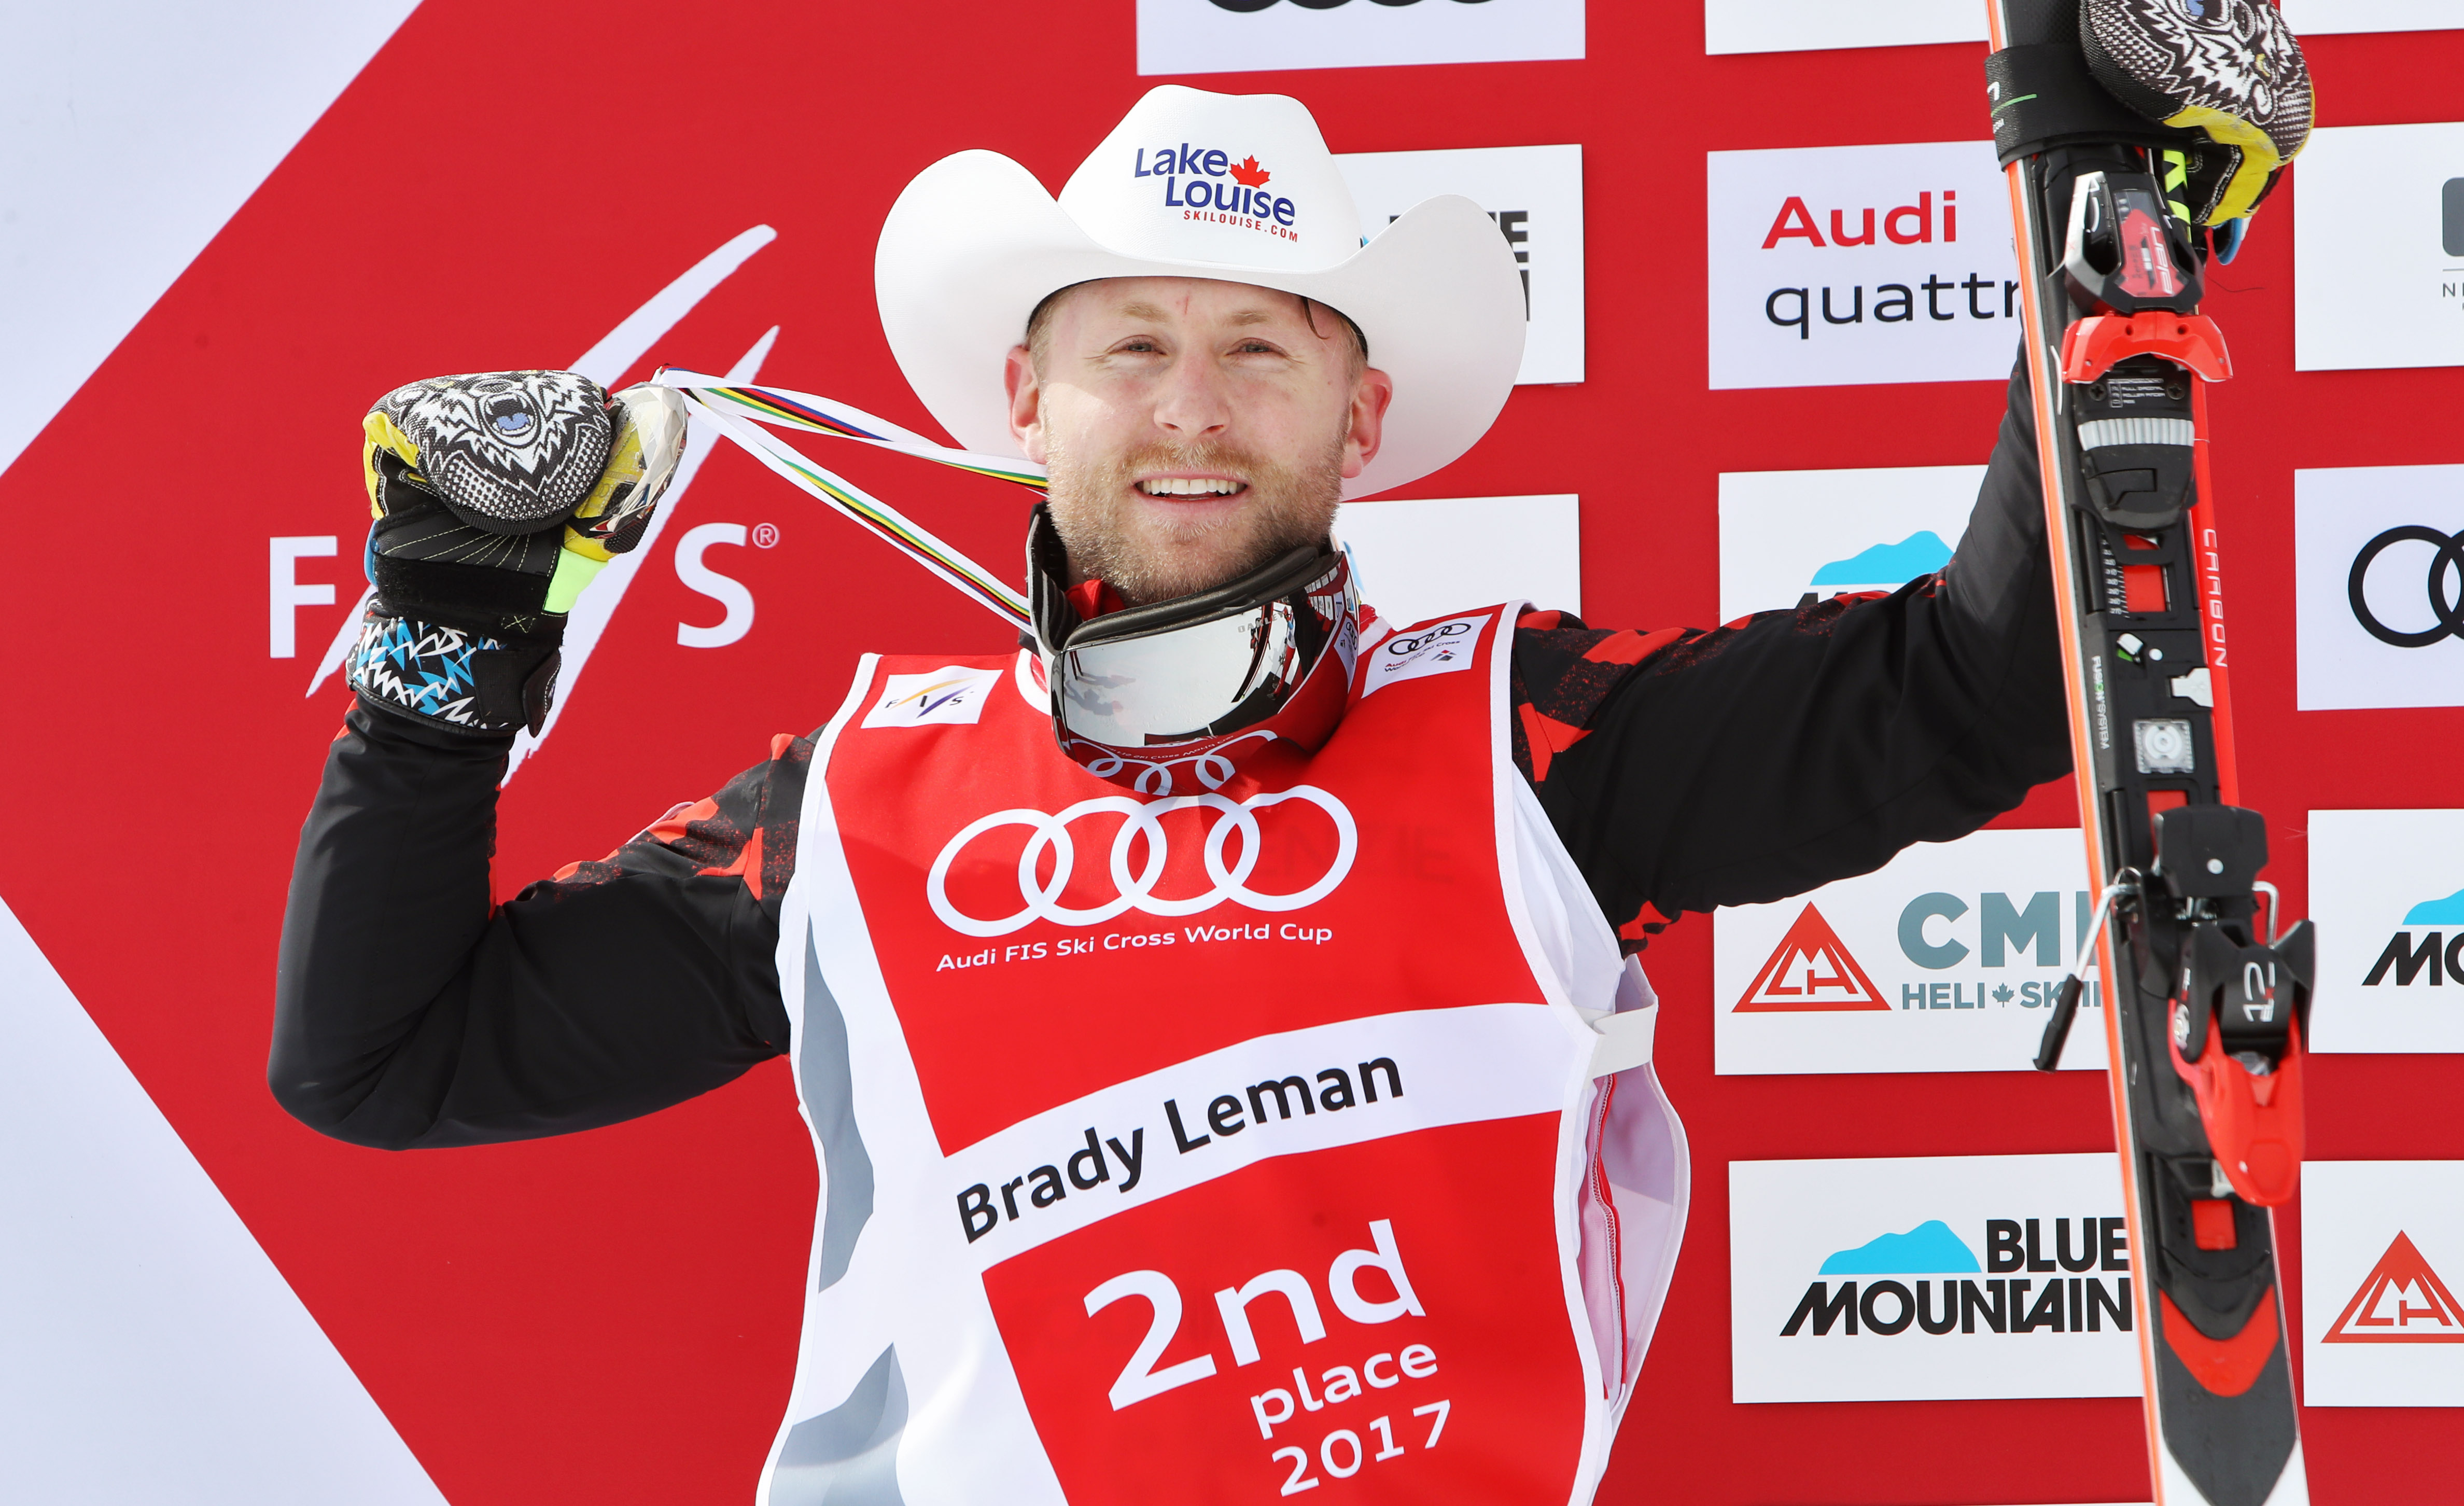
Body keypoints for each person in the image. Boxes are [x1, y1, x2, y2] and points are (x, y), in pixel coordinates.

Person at [277, 86, 2068, 1504]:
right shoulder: (857, 807)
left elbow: (1982, 688)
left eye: (1260, 349)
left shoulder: (1529, 746)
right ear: (1023, 403)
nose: (1190, 409)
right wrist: (450, 623)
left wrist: (2101, 242)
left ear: (1359, 419)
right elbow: (383, 1057)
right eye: (1128, 345)